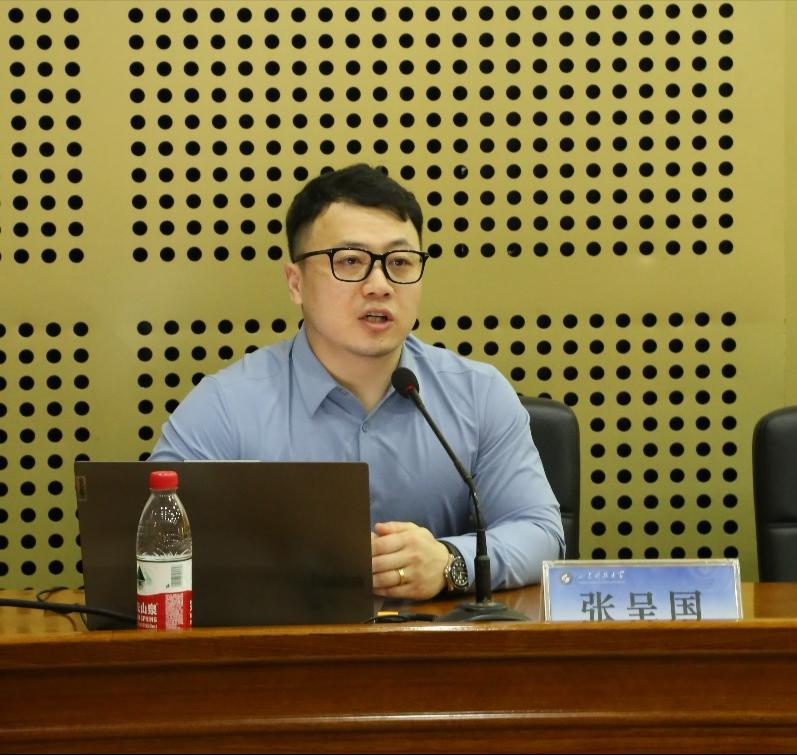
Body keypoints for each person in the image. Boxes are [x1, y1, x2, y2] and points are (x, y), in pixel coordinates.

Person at [150, 163, 564, 601]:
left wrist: (449, 562)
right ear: (295, 283)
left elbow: (540, 532)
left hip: (433, 641)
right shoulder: (226, 406)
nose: (379, 285)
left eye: (400, 262)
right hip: (282, 641)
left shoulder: (477, 394)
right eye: (350, 261)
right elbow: (155, 543)